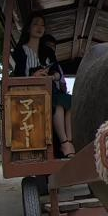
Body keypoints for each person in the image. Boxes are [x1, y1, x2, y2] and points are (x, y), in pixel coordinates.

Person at [11, 14, 74, 157]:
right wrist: (33, 76)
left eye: (42, 25)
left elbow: (57, 72)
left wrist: (50, 76)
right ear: (28, 28)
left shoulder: (48, 51)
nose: (39, 27)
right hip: (31, 92)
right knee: (58, 104)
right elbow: (18, 75)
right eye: (36, 24)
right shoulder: (20, 51)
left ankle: (69, 141)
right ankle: (64, 143)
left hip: (50, 89)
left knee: (69, 101)